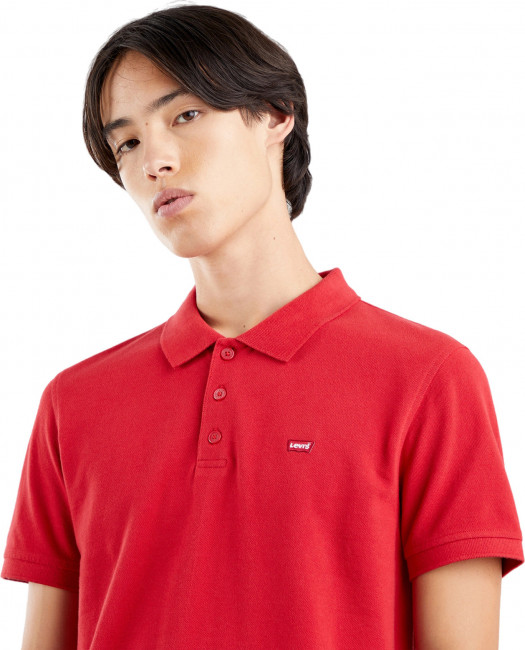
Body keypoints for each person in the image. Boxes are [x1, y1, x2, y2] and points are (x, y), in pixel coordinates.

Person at [2, 4, 523, 649]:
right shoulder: (74, 403)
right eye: (127, 142)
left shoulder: (428, 378)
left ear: (276, 114)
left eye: (185, 115)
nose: (153, 161)